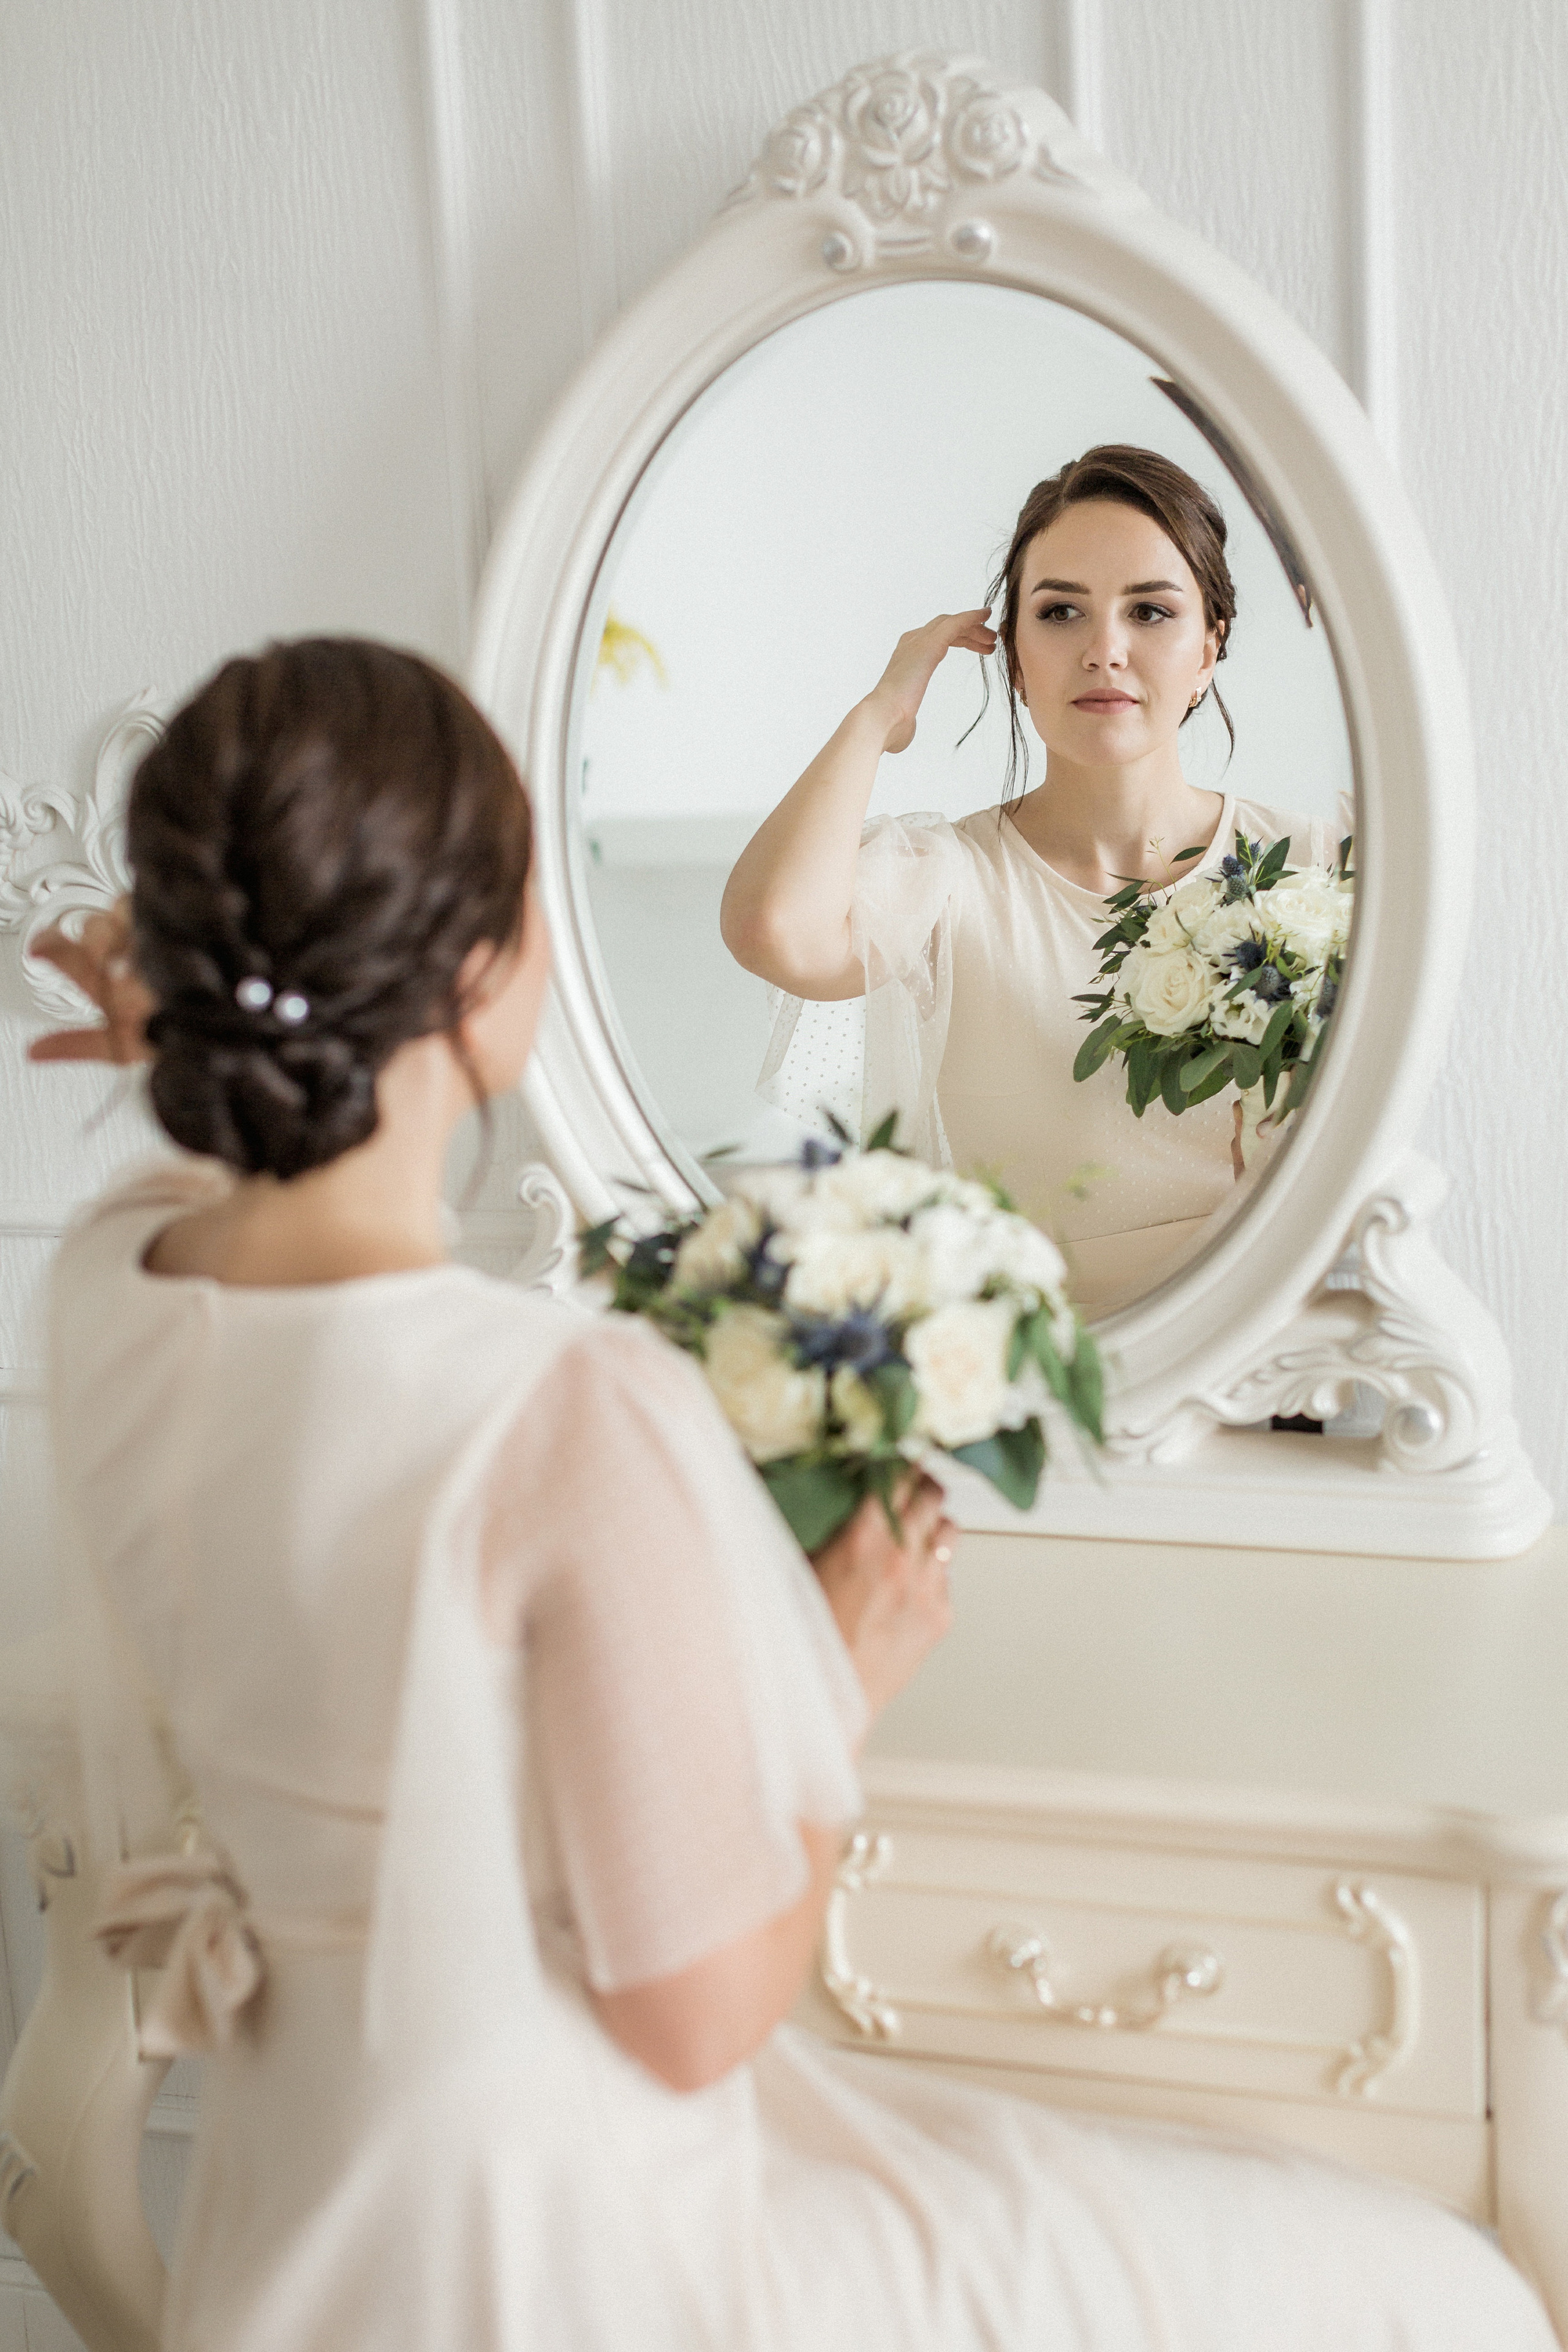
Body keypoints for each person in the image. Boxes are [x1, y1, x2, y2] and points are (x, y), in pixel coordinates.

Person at [27, 638, 1547, 2351]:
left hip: (303, 2198)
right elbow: (693, 2021)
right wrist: (837, 1673)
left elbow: (214, 1179)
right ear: (477, 971)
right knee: (1437, 2295)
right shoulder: (553, 1412)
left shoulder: (112, 1293)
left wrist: (175, 1011)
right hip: (560, 2251)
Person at [721, 447, 1352, 1314]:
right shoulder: (949, 881)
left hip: (1257, 1375)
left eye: (1151, 612)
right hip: (1018, 1393)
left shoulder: (1324, 863)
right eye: (1060, 612)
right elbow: (773, 930)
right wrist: (878, 714)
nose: (1105, 650)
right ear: (1013, 655)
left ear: (1210, 648)